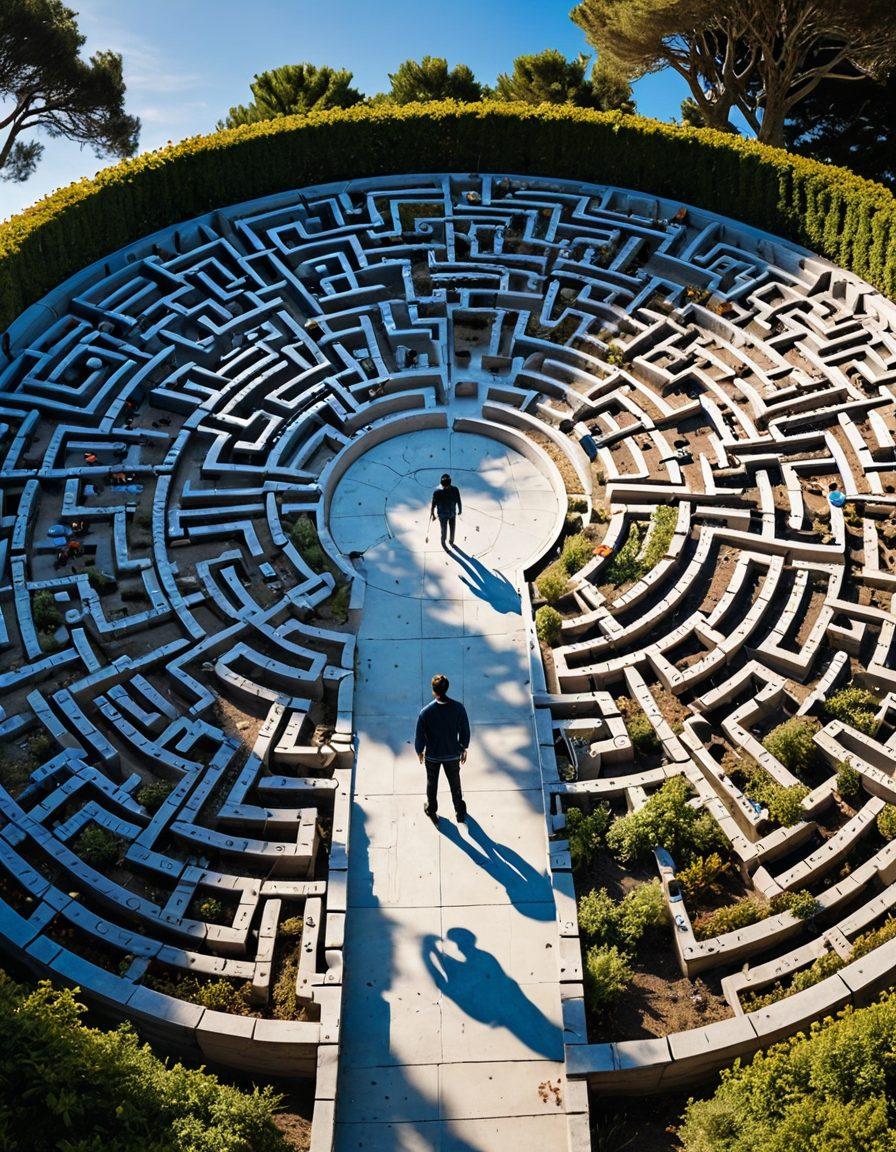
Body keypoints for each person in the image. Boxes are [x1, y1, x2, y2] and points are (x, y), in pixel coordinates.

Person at [414, 674, 470, 823]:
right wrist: (463, 747)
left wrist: (419, 750)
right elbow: (465, 729)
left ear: (434, 691)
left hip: (432, 756)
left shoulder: (425, 712)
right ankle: (459, 811)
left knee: (432, 783)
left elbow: (420, 735)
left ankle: (431, 809)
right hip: (452, 754)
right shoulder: (458, 708)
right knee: (455, 783)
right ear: (447, 689)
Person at [430, 473, 462, 549]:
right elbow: (433, 504)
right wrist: (433, 514)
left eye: (447, 485)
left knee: (452, 530)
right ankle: (443, 543)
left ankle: (451, 541)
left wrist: (460, 509)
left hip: (452, 514)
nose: (446, 487)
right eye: (444, 485)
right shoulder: (437, 492)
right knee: (444, 531)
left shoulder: (455, 490)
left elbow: (458, 500)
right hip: (442, 515)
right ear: (442, 484)